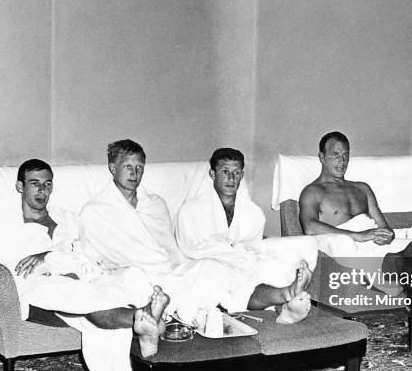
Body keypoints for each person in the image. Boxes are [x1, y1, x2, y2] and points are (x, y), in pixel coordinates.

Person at [80, 140, 314, 327]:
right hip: (135, 271)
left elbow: (170, 251)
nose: (134, 173)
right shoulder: (95, 211)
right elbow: (95, 254)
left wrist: (232, 254)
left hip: (170, 270)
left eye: (139, 168)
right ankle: (161, 320)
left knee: (220, 271)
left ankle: (285, 298)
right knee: (209, 271)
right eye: (128, 167)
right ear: (112, 168)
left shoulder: (155, 204)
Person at [0, 159, 170, 371]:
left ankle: (146, 334)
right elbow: (0, 271)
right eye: (35, 183)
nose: (42, 190)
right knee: (81, 294)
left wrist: (49, 257)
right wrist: (51, 263)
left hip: (83, 275)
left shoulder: (66, 218)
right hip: (42, 287)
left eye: (48, 184)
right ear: (20, 187)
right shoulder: (8, 226)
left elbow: (86, 253)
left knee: (132, 275)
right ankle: (144, 317)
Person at [299, 131, 412, 304]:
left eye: (346, 155)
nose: (342, 160)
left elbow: (384, 227)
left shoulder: (362, 188)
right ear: (322, 157)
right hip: (357, 248)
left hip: (380, 245)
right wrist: (360, 236)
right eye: (335, 154)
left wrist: (386, 235)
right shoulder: (313, 192)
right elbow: (309, 227)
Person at [176, 148, 319, 322]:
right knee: (215, 273)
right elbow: (190, 248)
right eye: (225, 172)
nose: (231, 178)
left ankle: (286, 300)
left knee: (266, 269)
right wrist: (232, 249)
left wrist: (240, 252)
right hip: (207, 262)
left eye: (236, 173)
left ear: (242, 175)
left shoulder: (253, 212)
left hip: (241, 263)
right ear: (212, 174)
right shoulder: (192, 209)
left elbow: (254, 246)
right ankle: (284, 299)